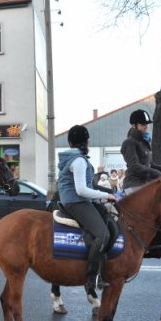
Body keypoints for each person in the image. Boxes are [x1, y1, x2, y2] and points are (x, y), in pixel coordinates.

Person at [58, 125, 117, 292]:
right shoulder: (78, 161)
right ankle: (91, 278)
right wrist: (105, 196)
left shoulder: (78, 158)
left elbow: (90, 186)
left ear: (70, 143)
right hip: (75, 202)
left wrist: (109, 193)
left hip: (79, 200)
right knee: (103, 234)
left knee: (107, 217)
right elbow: (81, 190)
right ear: (86, 141)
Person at [121, 109, 161, 195]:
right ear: (134, 125)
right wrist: (156, 172)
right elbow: (134, 166)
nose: (146, 127)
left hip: (146, 182)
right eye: (143, 124)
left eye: (147, 124)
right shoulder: (129, 143)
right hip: (134, 184)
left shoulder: (144, 143)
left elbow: (150, 164)